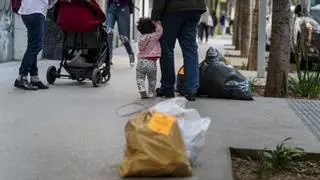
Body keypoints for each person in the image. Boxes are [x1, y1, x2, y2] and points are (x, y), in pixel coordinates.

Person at [152, 0, 206, 101]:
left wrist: (155, 15)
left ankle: (167, 88)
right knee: (190, 49)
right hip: (194, 8)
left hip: (172, 10)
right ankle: (191, 90)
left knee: (167, 48)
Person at [14, 0, 60, 90]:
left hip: (27, 11)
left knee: (32, 45)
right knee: (36, 46)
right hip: (36, 11)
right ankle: (21, 77)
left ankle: (34, 77)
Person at [136, 18, 163, 99]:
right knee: (152, 79)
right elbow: (160, 31)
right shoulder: (153, 36)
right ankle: (151, 92)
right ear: (152, 28)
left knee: (140, 77)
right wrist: (156, 22)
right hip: (151, 62)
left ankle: (142, 90)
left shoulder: (141, 38)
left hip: (141, 62)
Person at [105, 0, 135, 67]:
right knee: (109, 32)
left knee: (123, 37)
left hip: (123, 7)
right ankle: (109, 57)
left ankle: (130, 54)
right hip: (112, 6)